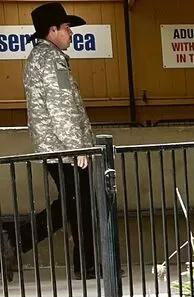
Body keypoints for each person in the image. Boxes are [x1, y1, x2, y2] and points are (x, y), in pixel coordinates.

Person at [2, 2, 97, 281]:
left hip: (57, 147)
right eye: (66, 27)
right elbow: (61, 106)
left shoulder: (41, 57)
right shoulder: (50, 59)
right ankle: (85, 263)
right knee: (79, 204)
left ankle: (14, 241)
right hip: (64, 149)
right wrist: (78, 147)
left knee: (74, 204)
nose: (70, 33)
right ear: (52, 30)